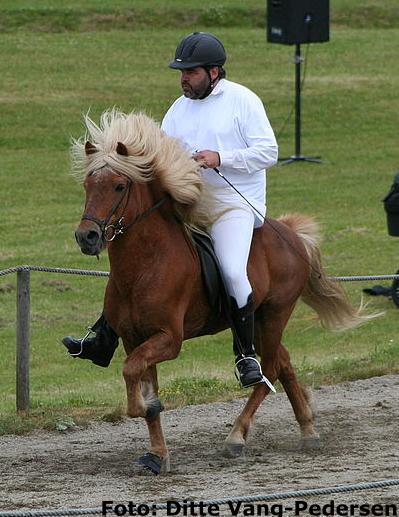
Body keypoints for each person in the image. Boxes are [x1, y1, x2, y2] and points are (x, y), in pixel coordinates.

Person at [63, 31, 278, 389]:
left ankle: (245, 354)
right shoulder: (179, 108)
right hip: (187, 201)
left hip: (232, 205)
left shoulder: (243, 101)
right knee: (134, 257)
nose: (183, 78)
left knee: (232, 269)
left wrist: (221, 157)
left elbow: (268, 152)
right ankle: (102, 337)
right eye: (181, 72)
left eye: (190, 72)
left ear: (213, 72)